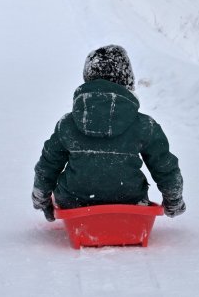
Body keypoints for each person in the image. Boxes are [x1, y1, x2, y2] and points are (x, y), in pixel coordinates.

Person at [31, 45, 186, 222]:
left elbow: (48, 165)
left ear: (88, 80)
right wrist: (173, 200)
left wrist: (42, 199)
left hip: (75, 204)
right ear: (128, 81)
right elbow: (165, 166)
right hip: (130, 203)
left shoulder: (68, 124)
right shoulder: (144, 125)